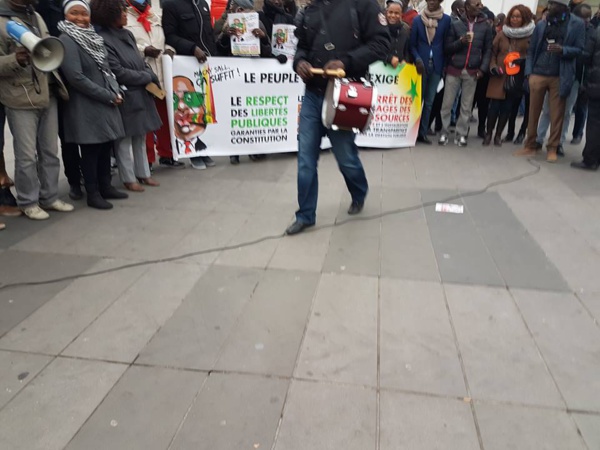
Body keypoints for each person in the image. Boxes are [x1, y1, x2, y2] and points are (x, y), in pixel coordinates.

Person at [285, 0, 390, 235]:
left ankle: (359, 191)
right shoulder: (310, 10)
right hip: (313, 94)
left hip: (345, 95)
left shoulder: (363, 5)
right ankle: (305, 215)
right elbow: (301, 47)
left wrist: (346, 61)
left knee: (346, 158)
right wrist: (300, 63)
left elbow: (381, 44)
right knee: (305, 159)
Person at [0, 0, 74, 220]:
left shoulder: (37, 16)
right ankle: (28, 201)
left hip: (47, 92)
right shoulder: (1, 22)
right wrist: (15, 59)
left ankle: (49, 197)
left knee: (50, 151)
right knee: (26, 156)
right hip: (20, 97)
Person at [58, 0, 129, 209]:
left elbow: (106, 68)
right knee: (91, 149)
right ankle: (93, 192)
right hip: (85, 104)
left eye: (84, 14)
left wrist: (116, 90)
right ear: (65, 16)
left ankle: (106, 186)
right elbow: (76, 78)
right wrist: (107, 95)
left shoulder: (94, 38)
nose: (80, 18)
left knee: (106, 144)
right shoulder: (66, 40)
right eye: (74, 13)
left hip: (105, 99)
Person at [92, 0, 162, 191]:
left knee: (140, 136)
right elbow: (118, 71)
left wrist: (149, 73)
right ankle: (128, 178)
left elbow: (140, 61)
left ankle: (144, 174)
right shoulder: (103, 39)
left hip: (141, 92)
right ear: (110, 15)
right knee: (124, 140)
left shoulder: (128, 34)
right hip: (126, 93)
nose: (125, 15)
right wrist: (146, 76)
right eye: (122, 11)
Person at [514, 0, 585, 162]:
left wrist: (564, 50)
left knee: (557, 114)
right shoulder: (542, 24)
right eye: (550, 3)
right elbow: (531, 51)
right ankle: (530, 145)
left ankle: (552, 148)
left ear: (564, 7)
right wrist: (529, 73)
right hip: (538, 73)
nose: (550, 6)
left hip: (559, 75)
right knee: (532, 113)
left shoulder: (576, 24)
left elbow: (580, 49)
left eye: (554, 4)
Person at [125, 0, 184, 170]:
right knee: (147, 122)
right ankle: (147, 159)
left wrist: (170, 48)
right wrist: (144, 50)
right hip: (143, 75)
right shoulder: (125, 18)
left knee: (165, 117)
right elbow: (125, 45)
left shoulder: (156, 16)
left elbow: (168, 37)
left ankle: (167, 153)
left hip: (161, 75)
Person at [162, 0, 217, 170]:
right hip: (186, 64)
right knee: (187, 107)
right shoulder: (171, 5)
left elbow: (209, 35)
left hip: (206, 66)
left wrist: (217, 56)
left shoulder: (203, 4)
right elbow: (170, 35)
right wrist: (192, 48)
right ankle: (193, 153)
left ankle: (204, 148)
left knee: (204, 108)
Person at [217, 0, 272, 165]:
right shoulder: (226, 24)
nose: (245, 13)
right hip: (234, 74)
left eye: (248, 11)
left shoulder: (259, 23)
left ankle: (254, 149)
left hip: (253, 74)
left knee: (252, 114)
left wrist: (262, 39)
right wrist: (225, 35)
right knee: (235, 113)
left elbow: (268, 52)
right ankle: (235, 151)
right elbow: (218, 49)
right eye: (242, 9)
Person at [39, 0, 83, 200]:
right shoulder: (44, 8)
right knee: (68, 137)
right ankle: (74, 180)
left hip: (83, 83)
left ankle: (91, 176)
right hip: (62, 82)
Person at [535, 3, 592, 156]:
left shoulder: (592, 33)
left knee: (566, 111)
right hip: (559, 73)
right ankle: (539, 139)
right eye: (584, 17)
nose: (586, 21)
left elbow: (585, 54)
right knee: (547, 109)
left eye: (588, 18)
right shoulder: (565, 26)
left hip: (576, 77)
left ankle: (558, 142)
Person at [438, 0, 492, 147]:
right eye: (477, 4)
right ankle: (444, 131)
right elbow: (447, 48)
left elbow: (488, 50)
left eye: (480, 4)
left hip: (473, 70)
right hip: (454, 68)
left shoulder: (485, 25)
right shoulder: (455, 24)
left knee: (466, 106)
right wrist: (461, 41)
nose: (480, 7)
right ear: (467, 7)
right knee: (447, 103)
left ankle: (461, 134)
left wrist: (483, 69)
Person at [484, 4, 534, 147]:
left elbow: (532, 55)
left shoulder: (530, 35)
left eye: (518, 16)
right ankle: (489, 133)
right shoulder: (502, 34)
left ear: (524, 18)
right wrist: (492, 66)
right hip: (499, 74)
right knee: (494, 106)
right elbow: (492, 52)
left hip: (516, 75)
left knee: (507, 107)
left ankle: (499, 135)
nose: (514, 19)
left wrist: (523, 61)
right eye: (512, 16)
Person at [410, 0, 451, 144]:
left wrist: (444, 67)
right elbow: (412, 45)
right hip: (420, 66)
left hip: (437, 67)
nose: (432, 2)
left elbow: (446, 44)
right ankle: (411, 133)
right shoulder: (417, 20)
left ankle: (423, 132)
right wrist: (417, 59)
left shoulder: (446, 20)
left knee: (429, 102)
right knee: (416, 101)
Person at [571, 14, 600, 170]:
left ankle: (590, 159)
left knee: (595, 123)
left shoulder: (597, 32)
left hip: (596, 85)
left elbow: (585, 57)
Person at [386, 0, 411, 67]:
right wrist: (389, 58)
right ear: (386, 12)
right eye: (390, 12)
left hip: (399, 70)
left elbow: (407, 51)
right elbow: (375, 51)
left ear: (401, 15)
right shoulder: (380, 29)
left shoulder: (405, 30)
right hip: (381, 70)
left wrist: (405, 60)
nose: (393, 15)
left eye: (396, 13)